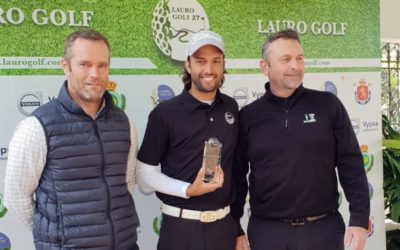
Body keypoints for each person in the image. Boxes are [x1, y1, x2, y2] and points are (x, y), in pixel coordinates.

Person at [232, 29, 370, 250]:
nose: (295, 66)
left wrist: (360, 219)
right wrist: (235, 228)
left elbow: (351, 164)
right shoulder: (248, 116)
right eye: (285, 59)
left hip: (324, 230)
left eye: (299, 58)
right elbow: (236, 176)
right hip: (267, 233)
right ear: (264, 67)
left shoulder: (328, 105)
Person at [4, 29, 140, 250]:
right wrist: (55, 233)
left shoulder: (123, 123)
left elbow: (126, 184)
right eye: (84, 64)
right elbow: (15, 198)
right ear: (65, 66)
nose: (95, 74)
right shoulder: (36, 127)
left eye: (102, 65)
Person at [136, 30, 239, 250]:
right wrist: (189, 189)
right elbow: (144, 175)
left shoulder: (231, 107)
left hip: (224, 229)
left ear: (223, 65)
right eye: (200, 61)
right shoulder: (165, 113)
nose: (209, 70)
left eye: (216, 61)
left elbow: (237, 170)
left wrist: (238, 229)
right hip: (180, 230)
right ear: (188, 65)